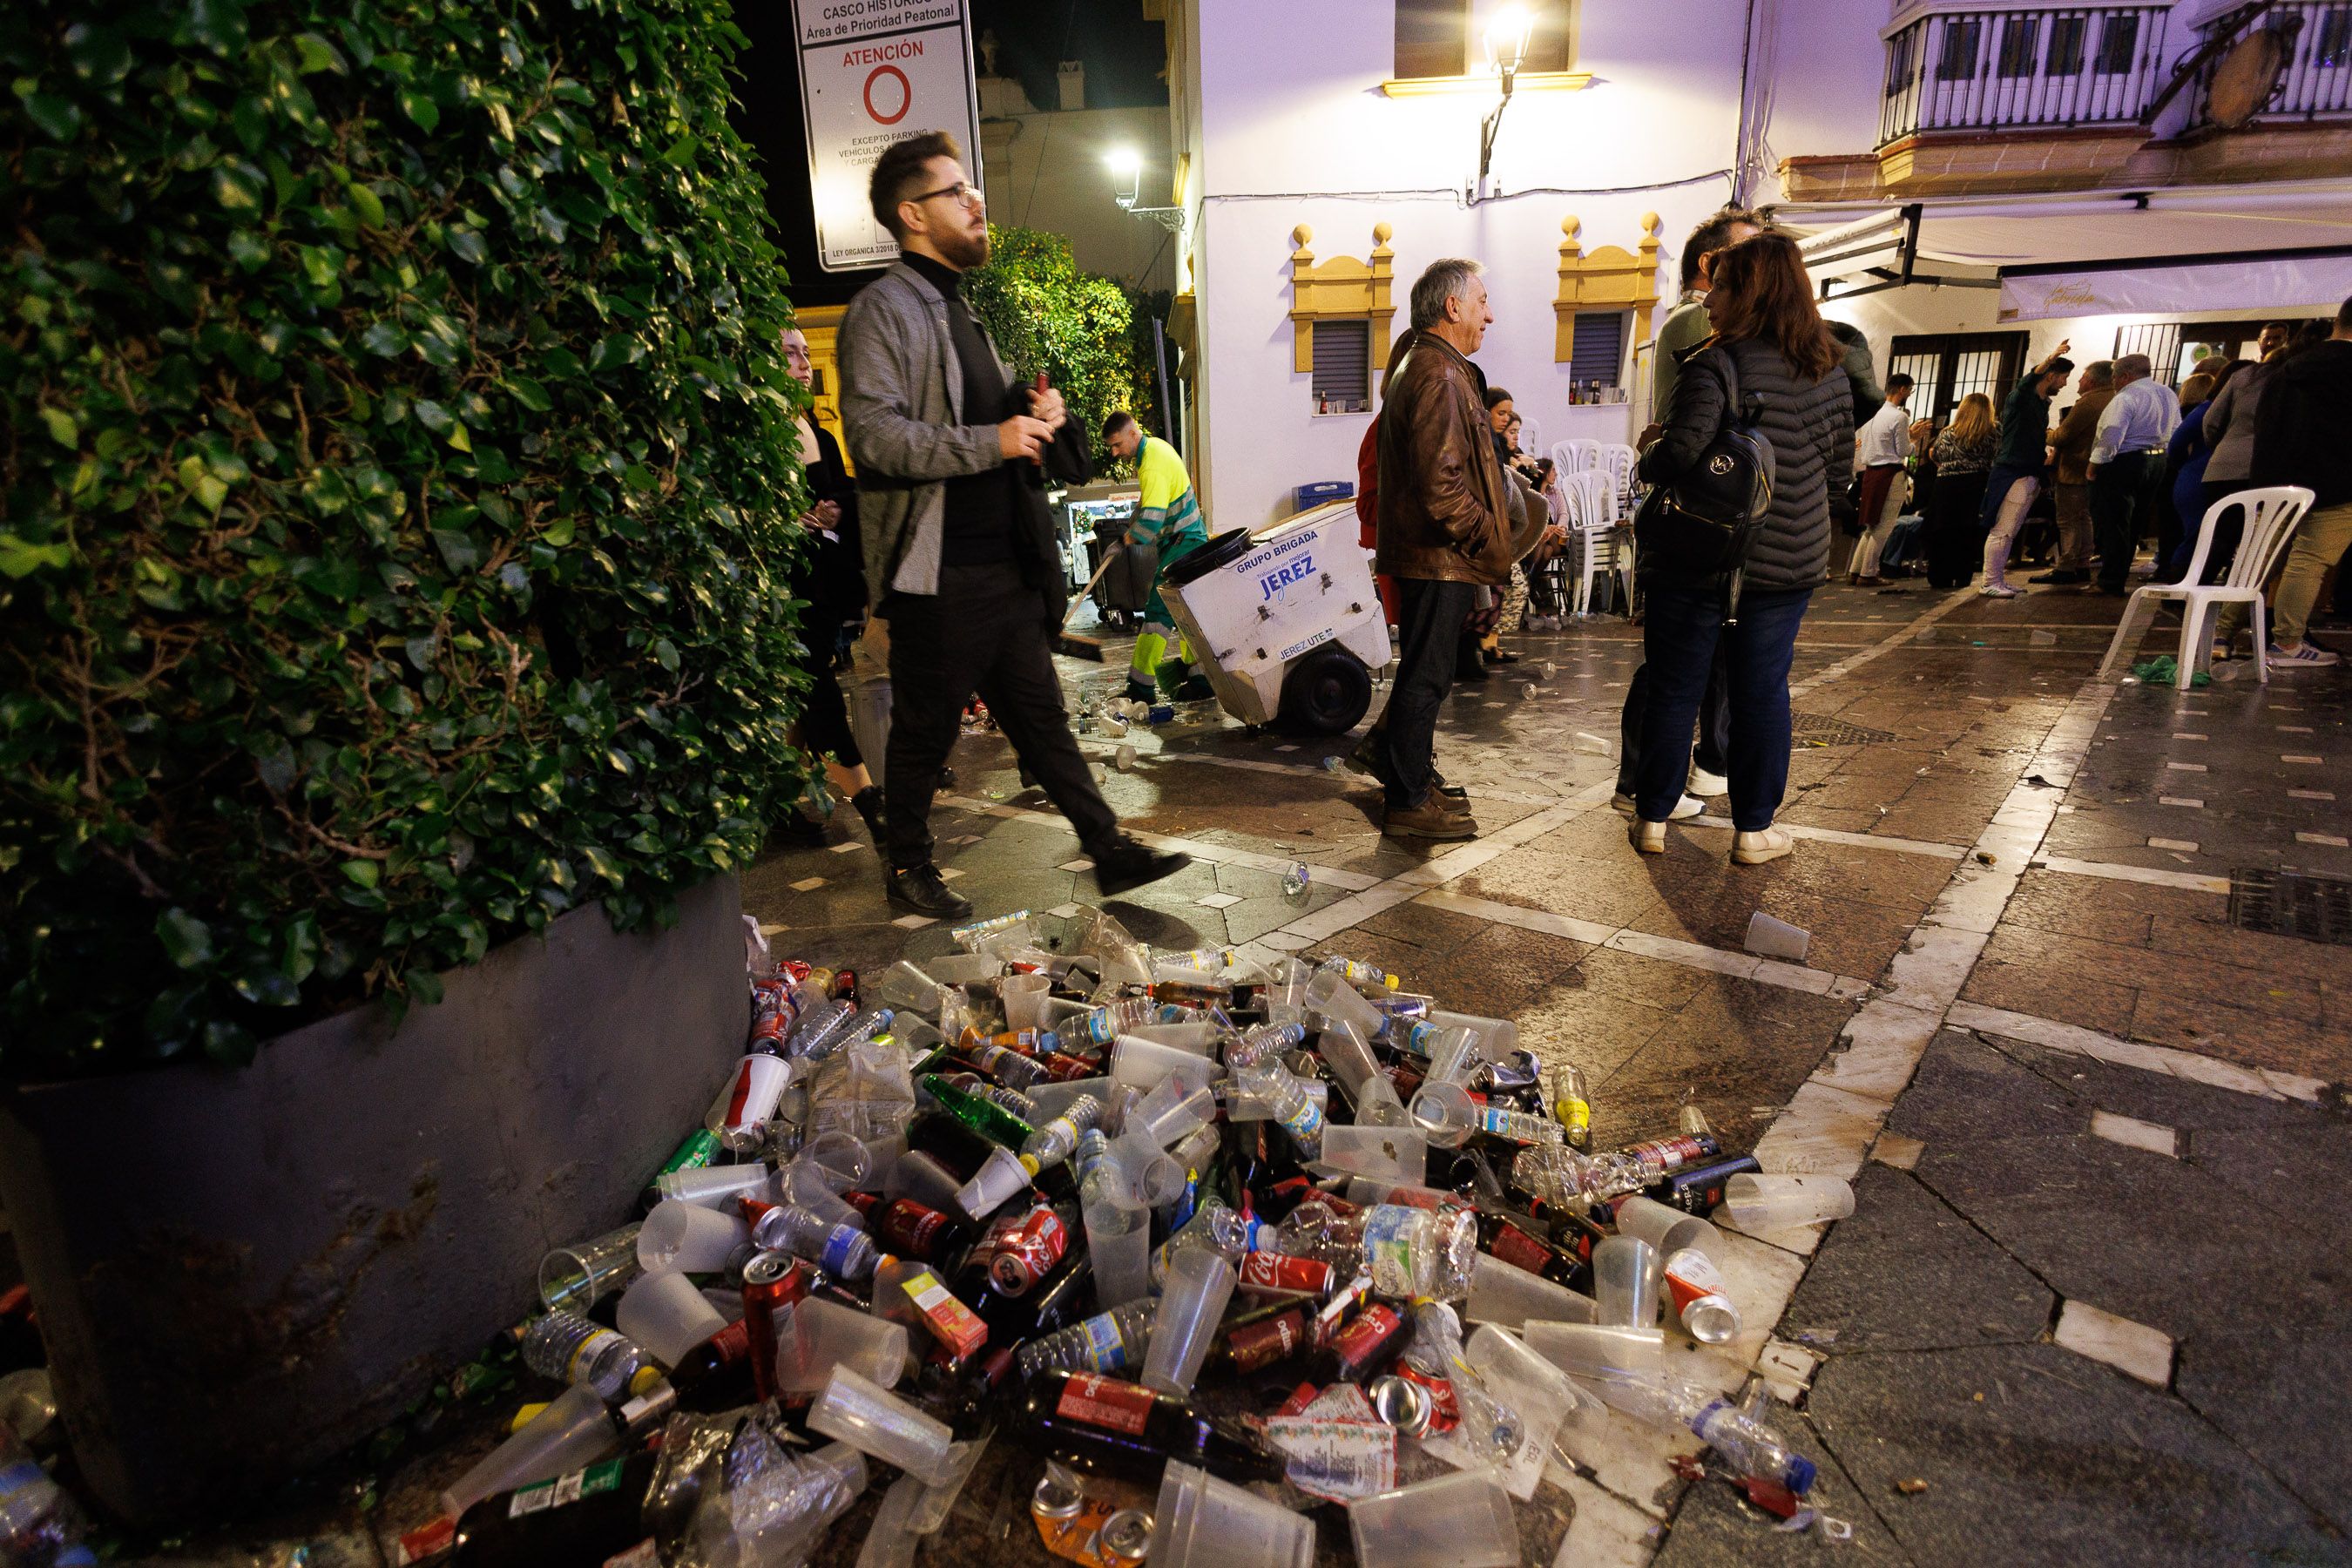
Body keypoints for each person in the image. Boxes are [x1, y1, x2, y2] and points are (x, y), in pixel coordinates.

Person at [836, 131, 1186, 916]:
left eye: (972, 188)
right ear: (912, 214)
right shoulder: (881, 312)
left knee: (1044, 726)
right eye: (956, 191)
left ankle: (1109, 851)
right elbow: (875, 437)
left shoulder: (963, 312)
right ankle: (907, 865)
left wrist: (1040, 414)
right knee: (924, 731)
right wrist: (991, 439)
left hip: (1004, 570)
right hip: (939, 575)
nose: (976, 202)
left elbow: (997, 430)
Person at [1630, 231, 1852, 865]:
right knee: (1762, 693)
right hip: (1785, 565)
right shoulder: (1830, 372)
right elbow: (1838, 477)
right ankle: (1754, 831)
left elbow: (1678, 453)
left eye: (1722, 287)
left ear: (1752, 294)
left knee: (1676, 687)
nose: (1709, 301)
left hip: (1697, 558)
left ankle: (1652, 819)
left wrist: (1649, 456)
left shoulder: (1714, 366)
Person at [1617, 208, 1763, 811]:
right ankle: (1643, 781)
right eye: (1748, 255)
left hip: (1715, 515)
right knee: (1675, 664)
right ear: (1712, 266)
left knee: (1704, 659)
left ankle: (1697, 768)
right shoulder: (1697, 323)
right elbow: (1680, 442)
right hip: (1698, 516)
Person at [1370, 258, 1517, 840]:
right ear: (1452, 307)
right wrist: (1486, 536)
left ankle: (1411, 780)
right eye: (1482, 301)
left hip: (1434, 553)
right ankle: (1407, 802)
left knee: (1425, 675)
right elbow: (1441, 483)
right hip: (1440, 555)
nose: (1490, 315)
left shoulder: (1432, 365)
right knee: (1426, 678)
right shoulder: (1440, 374)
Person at [777, 327, 883, 846]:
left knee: (803, 698)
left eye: (805, 353)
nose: (804, 365)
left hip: (821, 587)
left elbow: (840, 495)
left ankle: (778, 805)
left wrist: (835, 512)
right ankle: (871, 807)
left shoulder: (818, 435)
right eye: (790, 354)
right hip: (783, 592)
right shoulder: (760, 439)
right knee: (815, 693)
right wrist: (792, 521)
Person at [2213, 296, 2352, 666]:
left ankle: (2220, 635)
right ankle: (2287, 643)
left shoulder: (2289, 366)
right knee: (2309, 560)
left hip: (2276, 480)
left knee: (2260, 558)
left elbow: (2265, 424)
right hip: (2339, 481)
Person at [1101, 411, 1213, 705]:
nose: (1115, 453)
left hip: (1183, 544)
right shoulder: (1156, 449)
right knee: (1187, 614)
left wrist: (1123, 541)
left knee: (1157, 612)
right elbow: (1149, 505)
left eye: (1116, 445)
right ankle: (1201, 679)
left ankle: (1140, 688)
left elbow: (1151, 523)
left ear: (1132, 433)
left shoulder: (1151, 464)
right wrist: (1132, 521)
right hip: (1189, 541)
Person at [1978, 342, 2072, 598]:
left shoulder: (2041, 403)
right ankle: (1990, 582)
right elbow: (2025, 384)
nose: (2065, 384)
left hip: (2028, 469)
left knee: (2011, 531)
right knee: (2003, 529)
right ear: (2050, 376)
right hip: (2014, 471)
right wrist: (2050, 357)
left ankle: (1997, 580)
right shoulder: (2020, 398)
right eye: (2063, 377)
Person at [2087, 353, 2181, 596]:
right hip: (2157, 460)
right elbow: (2176, 428)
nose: (2114, 383)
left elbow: (2111, 434)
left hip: (2125, 461)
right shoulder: (2167, 394)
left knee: (2115, 522)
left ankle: (2110, 580)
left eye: (2115, 377)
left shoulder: (2126, 397)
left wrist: (2095, 465)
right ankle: (2117, 575)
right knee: (2135, 522)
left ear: (2126, 376)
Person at [2033, 360, 2115, 585]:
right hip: (2095, 469)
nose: (2078, 381)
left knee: (2068, 520)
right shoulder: (2112, 398)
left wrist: (2046, 433)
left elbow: (2063, 436)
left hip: (2075, 469)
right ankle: (2082, 563)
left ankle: (2066, 566)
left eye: (2082, 376)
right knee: (2084, 518)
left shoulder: (2088, 402)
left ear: (2092, 380)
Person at [1923, 394, 1993, 590]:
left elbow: (1936, 455)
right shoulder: (1992, 432)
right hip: (1976, 483)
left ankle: (1939, 575)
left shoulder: (1947, 433)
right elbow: (1997, 455)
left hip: (1946, 484)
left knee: (1943, 528)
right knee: (1968, 529)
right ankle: (1962, 574)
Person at [1848, 374, 1913, 585]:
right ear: (1902, 389)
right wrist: (1913, 441)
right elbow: (1903, 450)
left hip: (1870, 474)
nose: (1909, 394)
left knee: (1871, 525)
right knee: (1884, 526)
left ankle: (1855, 570)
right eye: (1910, 390)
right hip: (1890, 473)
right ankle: (1868, 573)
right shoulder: (1899, 417)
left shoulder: (1872, 415)